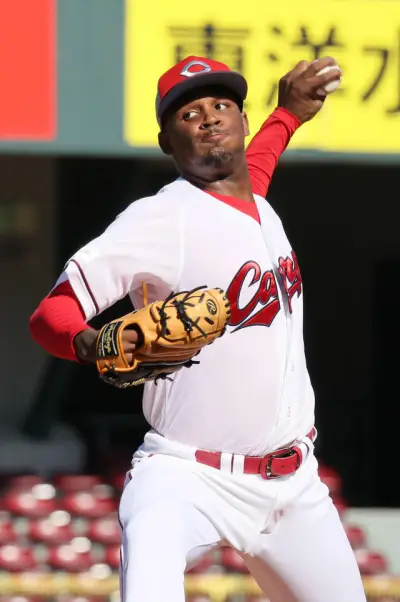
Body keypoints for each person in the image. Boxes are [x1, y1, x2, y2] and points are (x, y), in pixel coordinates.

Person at [30, 55, 366, 602]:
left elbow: (255, 169)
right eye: (188, 114)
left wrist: (287, 114)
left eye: (221, 105)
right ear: (167, 142)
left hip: (294, 485)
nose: (209, 117)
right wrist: (94, 344)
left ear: (243, 120)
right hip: (187, 478)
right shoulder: (159, 218)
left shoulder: (257, 205)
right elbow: (50, 315)